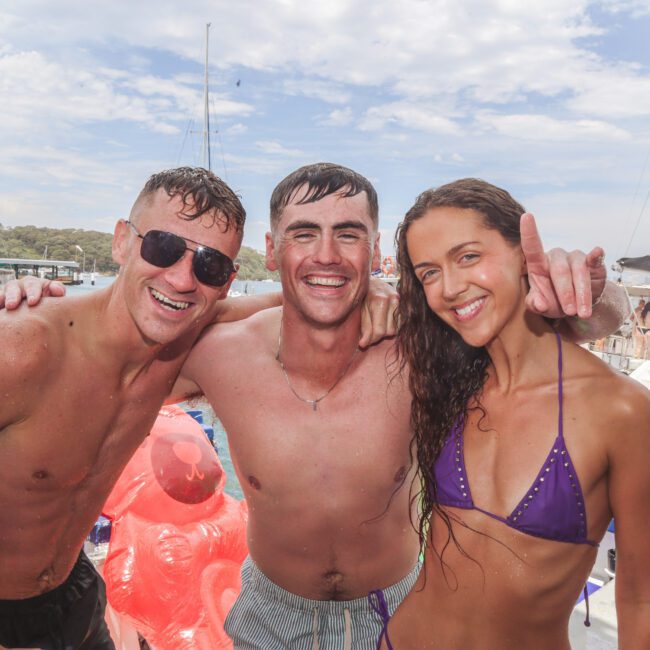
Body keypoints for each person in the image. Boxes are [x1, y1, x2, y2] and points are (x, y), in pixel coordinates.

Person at [3, 165, 628, 649]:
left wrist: (591, 293)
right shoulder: (209, 351)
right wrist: (32, 307)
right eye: (305, 235)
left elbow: (564, 324)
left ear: (374, 249)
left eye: (347, 235)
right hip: (272, 615)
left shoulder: (420, 341)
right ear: (274, 253)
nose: (326, 255)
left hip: (398, 610)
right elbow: (106, 355)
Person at [382, 178, 650, 649]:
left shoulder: (620, 410)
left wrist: (594, 293)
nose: (449, 287)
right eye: (429, 273)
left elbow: (641, 598)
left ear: (527, 256)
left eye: (468, 257)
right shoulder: (444, 382)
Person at [0, 167, 254, 650]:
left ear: (226, 283)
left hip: (75, 596)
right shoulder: (21, 348)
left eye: (210, 266)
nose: (182, 279)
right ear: (121, 242)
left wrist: (381, 296)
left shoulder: (173, 360)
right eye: (162, 247)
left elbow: (293, 306)